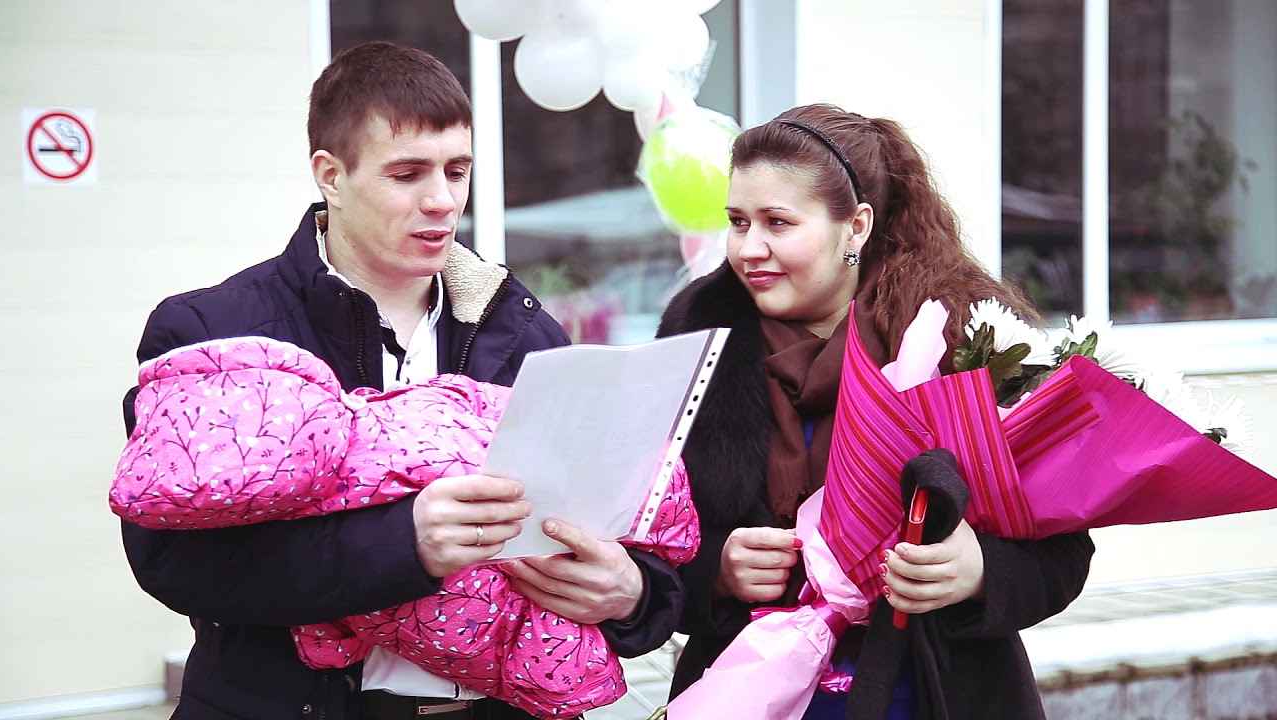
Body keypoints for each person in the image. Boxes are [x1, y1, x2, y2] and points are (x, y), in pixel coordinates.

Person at [120, 40, 682, 720]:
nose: (443, 201)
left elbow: (616, 529)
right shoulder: (217, 334)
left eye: (457, 170)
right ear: (330, 173)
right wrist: (402, 544)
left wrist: (634, 596)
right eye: (408, 173)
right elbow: (178, 564)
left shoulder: (526, 332)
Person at [656, 104, 1094, 719]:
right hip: (745, 691)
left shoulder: (965, 339)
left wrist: (979, 570)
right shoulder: (694, 338)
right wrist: (715, 570)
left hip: (934, 696)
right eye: (737, 221)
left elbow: (1064, 550)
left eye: (777, 223)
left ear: (856, 226)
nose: (748, 248)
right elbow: (641, 542)